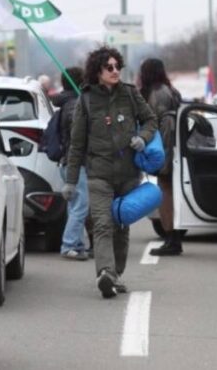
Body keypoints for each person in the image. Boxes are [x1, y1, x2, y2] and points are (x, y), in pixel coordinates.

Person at [62, 46, 157, 298]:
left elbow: (151, 120)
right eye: (109, 67)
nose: (115, 71)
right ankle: (105, 272)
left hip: (128, 174)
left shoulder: (130, 94)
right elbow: (77, 144)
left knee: (120, 224)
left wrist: (143, 138)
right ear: (98, 71)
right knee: (103, 224)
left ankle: (116, 273)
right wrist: (71, 182)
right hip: (99, 174)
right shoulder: (86, 100)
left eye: (118, 67)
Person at [139, 58, 184, 257]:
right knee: (170, 191)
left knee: (165, 192)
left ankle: (171, 238)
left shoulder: (156, 94)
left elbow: (156, 125)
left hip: (163, 147)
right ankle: (174, 237)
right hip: (174, 147)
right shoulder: (171, 91)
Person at [50, 66, 90, 261]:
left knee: (74, 203)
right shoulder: (75, 105)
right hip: (75, 163)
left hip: (67, 162)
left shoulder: (70, 103)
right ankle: (69, 245)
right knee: (81, 204)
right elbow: (79, 135)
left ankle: (78, 244)